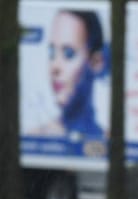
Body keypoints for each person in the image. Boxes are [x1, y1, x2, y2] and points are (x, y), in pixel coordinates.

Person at [31, 9, 109, 142]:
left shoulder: (111, 140)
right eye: (52, 53)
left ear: (96, 62)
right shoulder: (36, 138)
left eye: (68, 53)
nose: (54, 67)